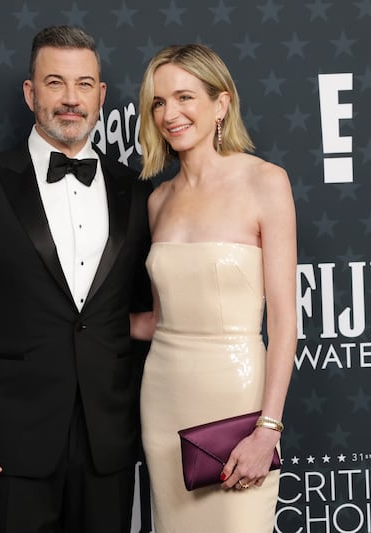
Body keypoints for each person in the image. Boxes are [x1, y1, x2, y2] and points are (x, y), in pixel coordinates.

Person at [0, 25, 152, 533]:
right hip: (9, 441)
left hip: (109, 438)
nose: (71, 98)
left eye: (83, 84)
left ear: (101, 95)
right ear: (30, 93)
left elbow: (144, 308)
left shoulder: (136, 190)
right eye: (55, 82)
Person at [131, 43, 298, 532]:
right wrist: (74, 322)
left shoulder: (266, 182)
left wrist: (267, 428)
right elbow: (159, 320)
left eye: (185, 97)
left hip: (237, 400)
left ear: (221, 103)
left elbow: (284, 322)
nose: (170, 114)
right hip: (162, 398)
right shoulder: (158, 200)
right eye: (159, 102)